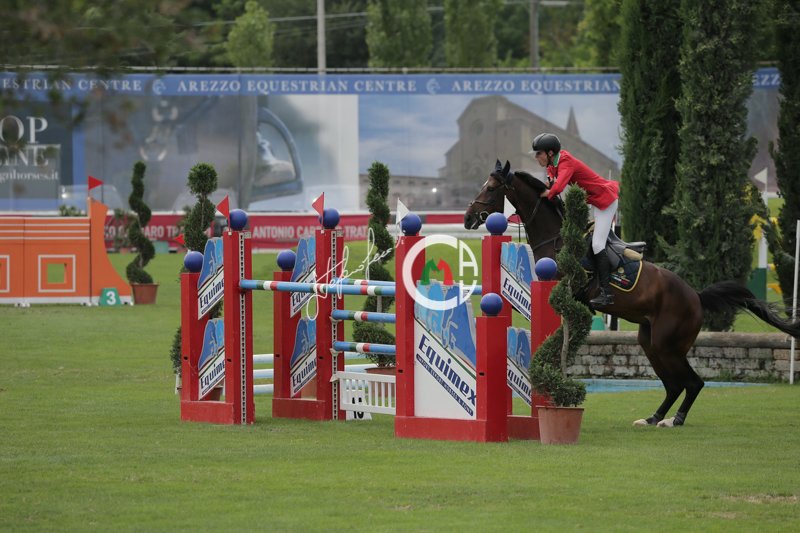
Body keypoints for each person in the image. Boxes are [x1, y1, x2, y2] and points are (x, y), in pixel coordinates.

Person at [531, 133, 619, 307]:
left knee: (597, 245)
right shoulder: (552, 165)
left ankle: (607, 293)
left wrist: (546, 193)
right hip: (596, 202)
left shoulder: (566, 161)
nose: (536, 157)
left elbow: (558, 187)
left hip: (606, 201)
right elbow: (551, 182)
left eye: (538, 153)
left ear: (550, 153)